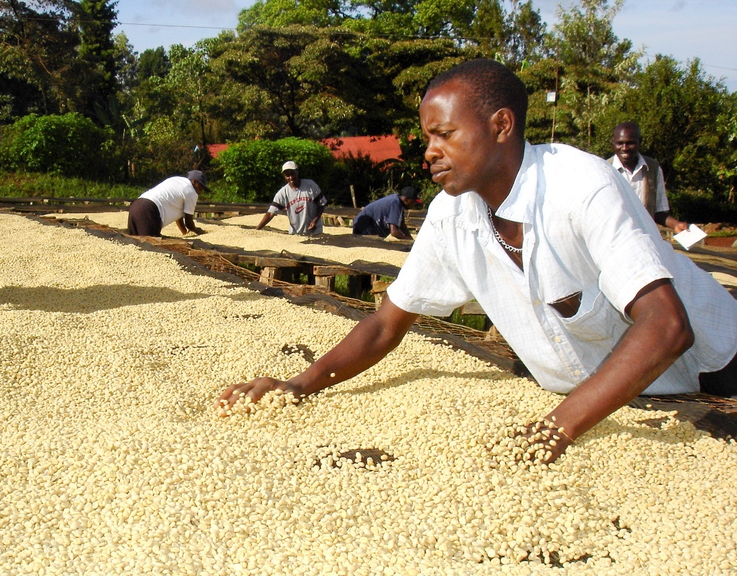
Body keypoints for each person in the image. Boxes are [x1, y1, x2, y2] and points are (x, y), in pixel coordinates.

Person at [218, 59, 737, 463]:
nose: (429, 152)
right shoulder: (452, 215)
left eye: (445, 134)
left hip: (720, 369)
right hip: (623, 402)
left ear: (501, 126)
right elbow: (385, 325)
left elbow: (667, 327)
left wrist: (556, 428)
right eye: (427, 137)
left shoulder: (580, 187)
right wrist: (297, 385)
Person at [610, 122, 689, 233]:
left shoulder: (653, 169)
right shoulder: (605, 170)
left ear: (639, 142)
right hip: (616, 241)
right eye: (620, 143)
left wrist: (676, 224)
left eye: (630, 143)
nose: (625, 148)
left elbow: (658, 212)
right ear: (613, 142)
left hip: (646, 239)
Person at [127, 170, 208, 237]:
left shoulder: (176, 180)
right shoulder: (191, 191)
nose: (200, 192)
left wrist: (185, 233)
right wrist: (197, 231)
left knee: (135, 244)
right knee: (149, 248)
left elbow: (178, 217)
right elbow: (188, 222)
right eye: (200, 187)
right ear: (194, 181)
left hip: (136, 205)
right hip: (149, 211)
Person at [256, 161, 327, 235]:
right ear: (284, 176)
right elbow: (271, 213)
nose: (291, 177)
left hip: (315, 232)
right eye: (287, 175)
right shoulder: (283, 193)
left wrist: (315, 220)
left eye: (293, 174)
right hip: (296, 234)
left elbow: (322, 204)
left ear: (297, 172)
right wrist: (257, 229)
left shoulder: (310, 185)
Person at [352, 187, 422, 239]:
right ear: (406, 199)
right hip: (364, 229)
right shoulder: (395, 204)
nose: (414, 205)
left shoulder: (397, 201)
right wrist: (408, 240)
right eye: (413, 202)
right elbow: (394, 232)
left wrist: (410, 239)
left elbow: (402, 225)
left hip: (362, 226)